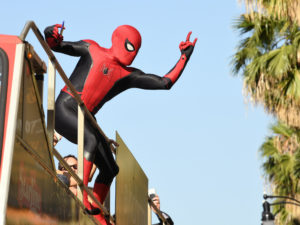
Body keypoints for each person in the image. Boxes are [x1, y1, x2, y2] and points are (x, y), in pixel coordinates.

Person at [44, 23, 197, 225]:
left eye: (136, 50)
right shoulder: (92, 48)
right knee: (90, 138)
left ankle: (95, 210)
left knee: (110, 167)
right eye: (130, 46)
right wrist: (51, 33)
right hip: (66, 108)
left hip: (86, 118)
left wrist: (184, 57)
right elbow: (57, 46)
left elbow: (164, 83)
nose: (132, 53)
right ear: (117, 41)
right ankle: (83, 193)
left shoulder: (127, 74)